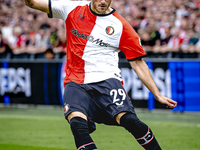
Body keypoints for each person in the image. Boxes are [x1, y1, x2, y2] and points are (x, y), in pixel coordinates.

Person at [24, 0, 177, 150]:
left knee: (129, 120)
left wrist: (158, 95)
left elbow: (138, 63)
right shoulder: (71, 8)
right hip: (75, 81)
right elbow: (32, 3)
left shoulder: (121, 25)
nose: (103, 1)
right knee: (77, 124)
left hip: (107, 81)